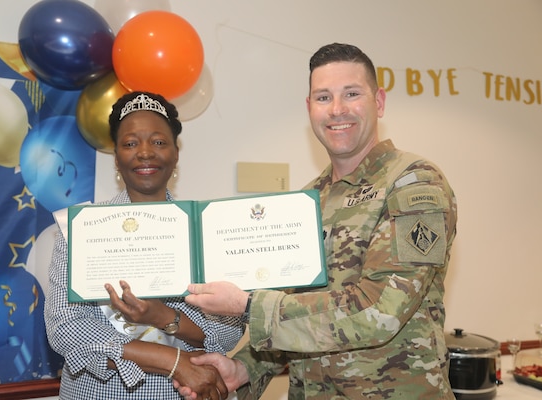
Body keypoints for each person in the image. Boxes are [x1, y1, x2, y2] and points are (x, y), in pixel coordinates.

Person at [176, 43, 458, 399]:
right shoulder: (307, 200)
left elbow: (381, 309)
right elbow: (298, 308)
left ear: (380, 102)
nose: (337, 110)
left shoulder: (413, 182)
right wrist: (245, 367)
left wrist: (248, 306)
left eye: (351, 94)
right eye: (323, 97)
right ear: (309, 109)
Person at [44, 91, 245, 400]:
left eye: (159, 142)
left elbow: (225, 332)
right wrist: (172, 361)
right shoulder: (81, 230)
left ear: (176, 153)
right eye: (130, 143)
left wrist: (163, 317)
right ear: (116, 156)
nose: (146, 153)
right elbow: (67, 330)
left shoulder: (206, 230)